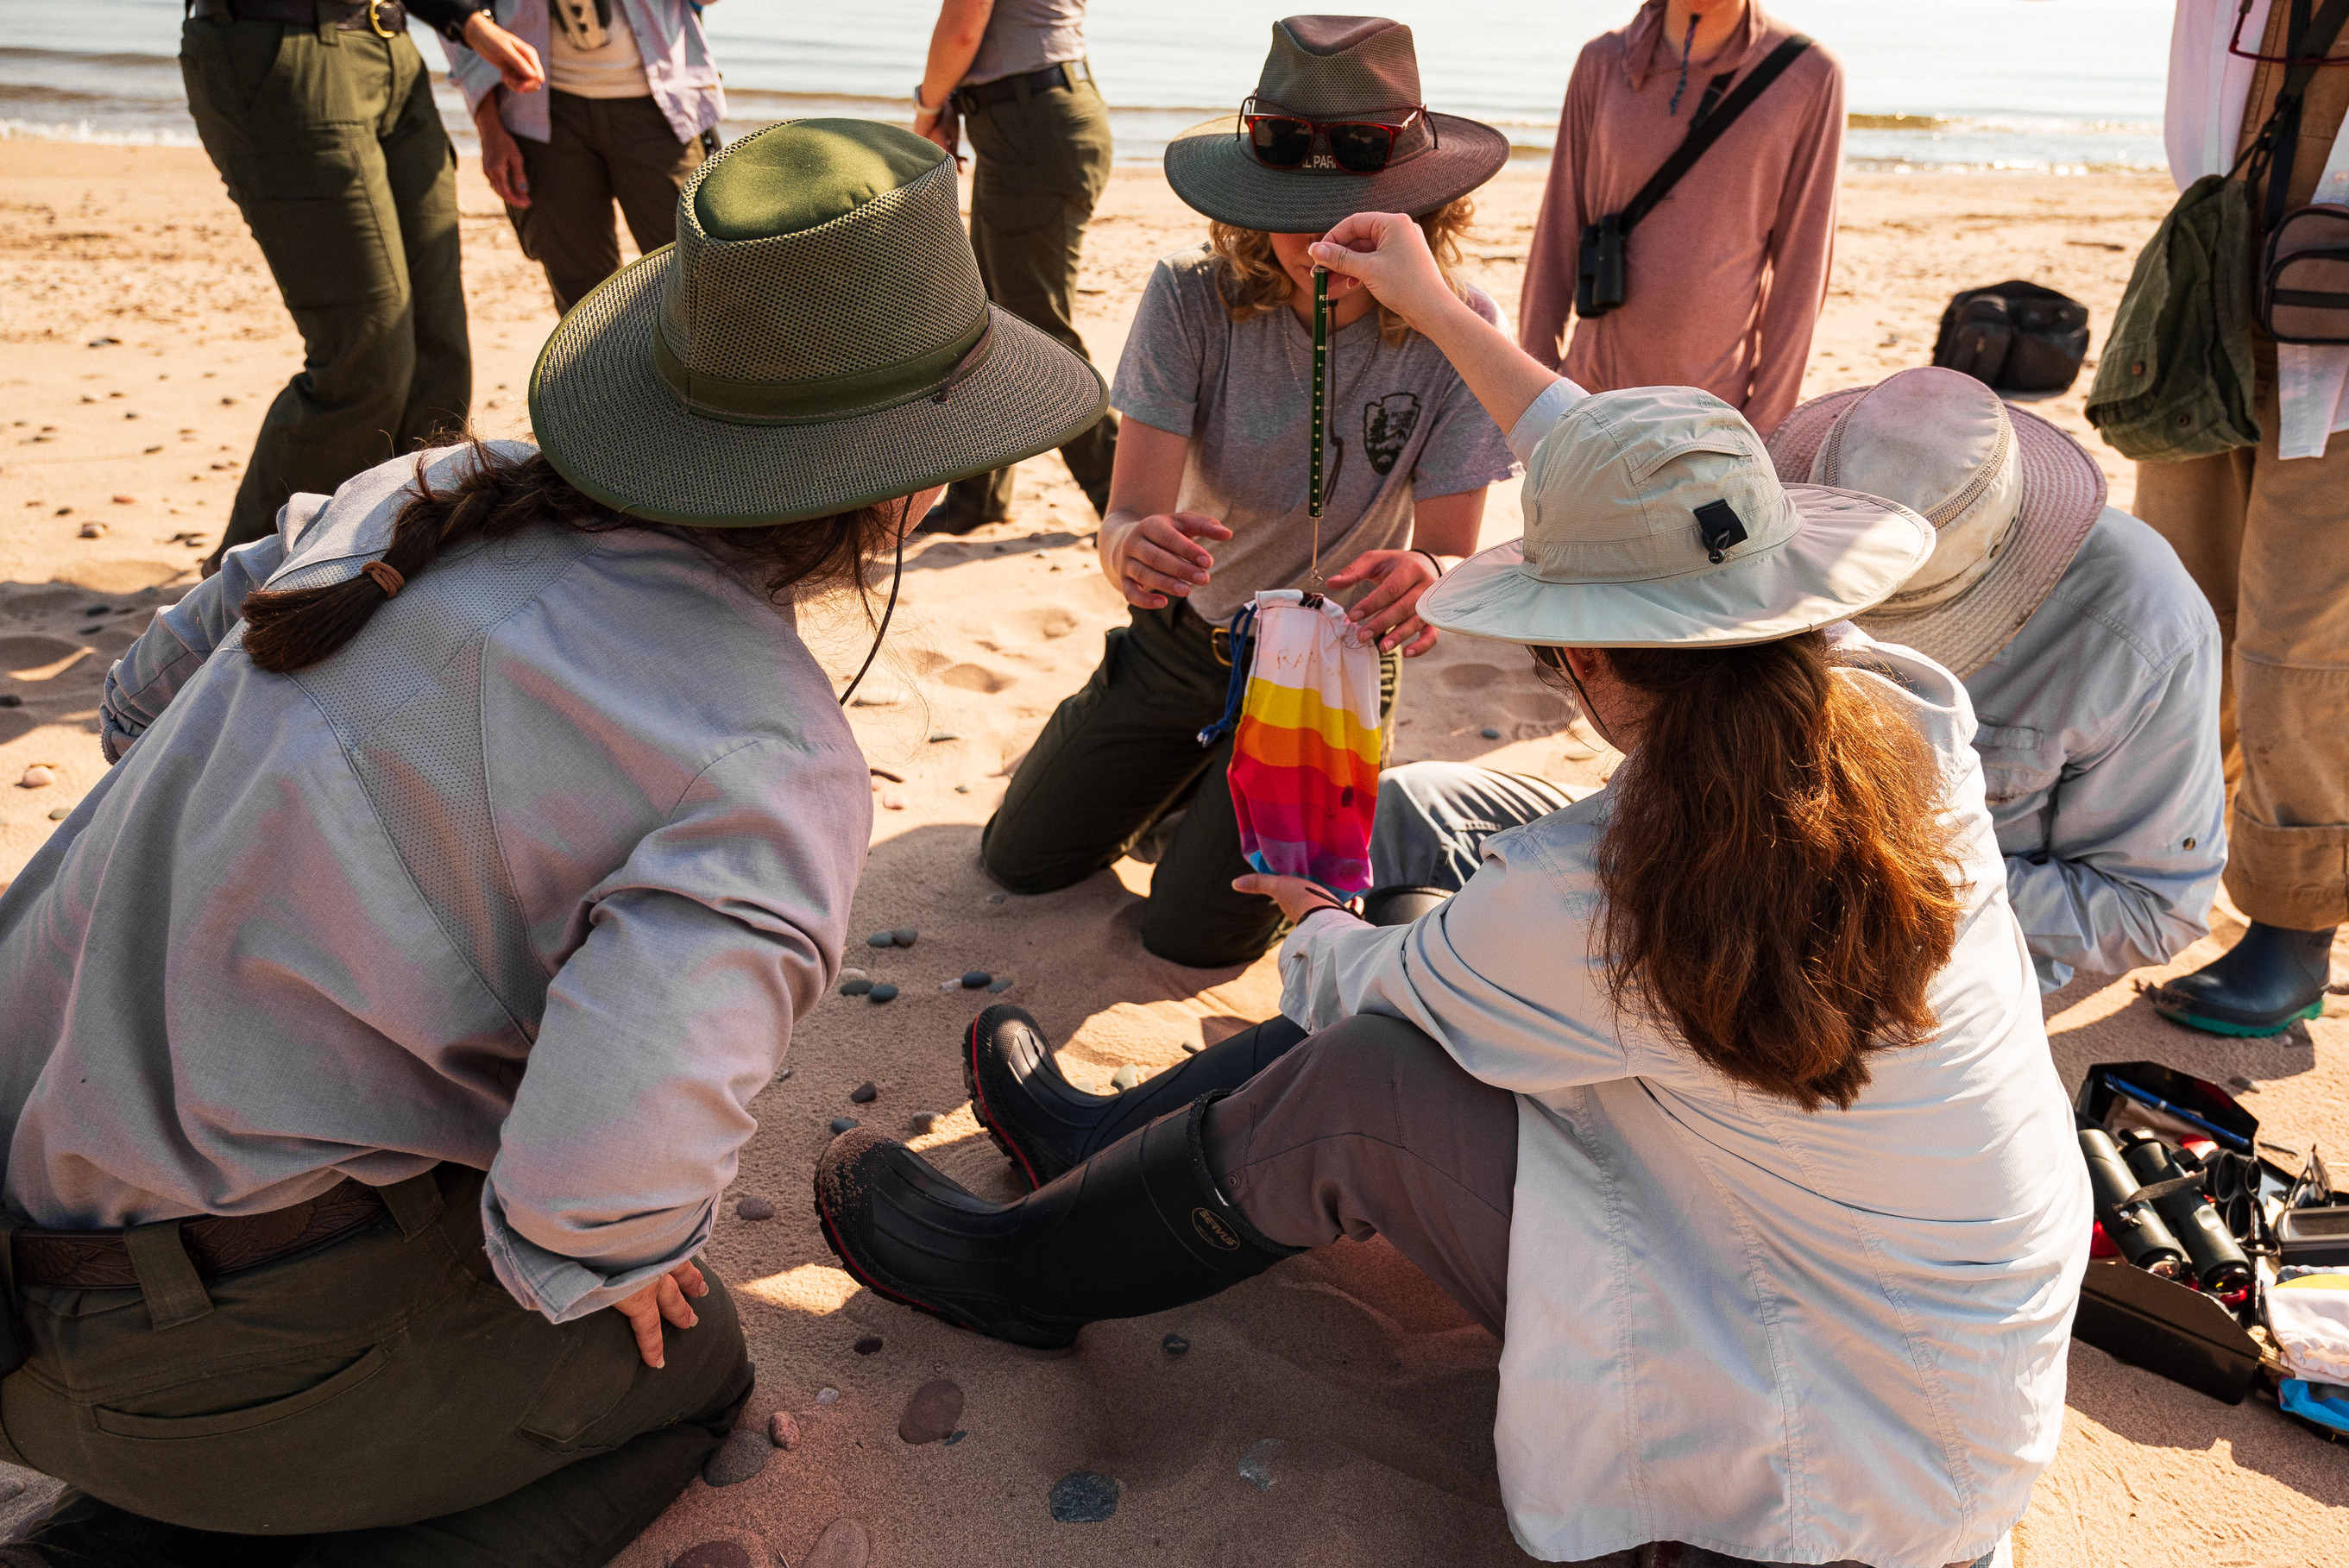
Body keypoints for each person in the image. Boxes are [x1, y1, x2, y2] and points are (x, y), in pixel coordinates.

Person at [817, 208, 2089, 1568]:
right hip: (1939, 1347)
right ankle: (1097, 1149)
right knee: (1433, 841)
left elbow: (1380, 988)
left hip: (1828, 1440)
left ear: (1590, 668)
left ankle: (1024, 1276)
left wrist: (1309, 911)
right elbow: (1622, 479)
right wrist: (1432, 303)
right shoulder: (1887, 702)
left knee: (1371, 1072)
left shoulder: (1606, 891)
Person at [0, 120, 1106, 1566]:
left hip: (30, 1226)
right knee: (681, 1375)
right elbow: (584, 1207)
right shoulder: (763, 750)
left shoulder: (418, 493)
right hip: (165, 1334)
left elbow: (142, 706)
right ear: (900, 485)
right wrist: (619, 1262)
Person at [1374, 367, 2230, 998]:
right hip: (1699, 843)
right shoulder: (1790, 507)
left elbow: (2154, 904)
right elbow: (1611, 464)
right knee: (1410, 812)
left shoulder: (2141, 627)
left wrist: (1862, 873)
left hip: (1908, 958)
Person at [979, 16, 1518, 968]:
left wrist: (1425, 574)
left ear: (1417, 207)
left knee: (1189, 939)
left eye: (1350, 208)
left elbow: (1450, 545)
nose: (1314, 241)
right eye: (1286, 205)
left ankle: (1214, 803)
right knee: (1020, 861)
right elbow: (1126, 515)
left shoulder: (1454, 324)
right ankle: (1195, 781)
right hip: (1186, 640)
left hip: (1328, 670)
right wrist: (1131, 551)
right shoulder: (1191, 298)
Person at [2129, 0, 2349, 1036]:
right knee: (2175, 602)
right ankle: (2182, 861)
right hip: (2210, 310)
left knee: (2298, 638)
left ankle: (2295, 928)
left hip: (2340, 343)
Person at [180, 0, 545, 573]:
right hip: (281, 41)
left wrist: (468, 21)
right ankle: (235, 591)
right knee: (367, 360)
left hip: (390, 44)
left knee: (437, 352)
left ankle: (392, 570)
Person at [1518, 0, 1843, 437]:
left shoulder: (1808, 75)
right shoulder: (1602, 61)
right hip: (1590, 403)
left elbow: (1802, 270)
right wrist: (1538, 402)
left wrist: (1765, 425)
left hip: (1714, 418)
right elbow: (1557, 231)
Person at [910, 0, 1121, 532]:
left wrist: (927, 108)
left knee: (1037, 330)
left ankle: (1127, 503)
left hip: (1031, 126)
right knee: (982, 318)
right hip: (1029, 119)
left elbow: (963, 29)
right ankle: (976, 499)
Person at [444, 0, 728, 315]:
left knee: (702, 284)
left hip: (662, 107)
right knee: (584, 303)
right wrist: (489, 126)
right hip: (537, 113)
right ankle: (605, 366)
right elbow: (458, 17)